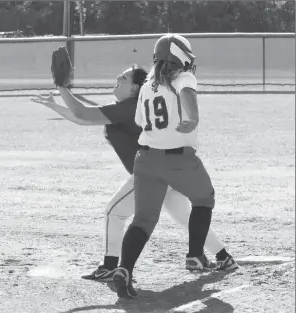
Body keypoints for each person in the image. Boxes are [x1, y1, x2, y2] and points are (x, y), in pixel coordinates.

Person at [31, 64, 237, 284]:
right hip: (164, 169)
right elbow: (83, 119)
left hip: (151, 173)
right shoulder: (128, 106)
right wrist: (56, 106)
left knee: (114, 211)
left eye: (125, 77)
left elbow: (83, 114)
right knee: (186, 218)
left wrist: (63, 88)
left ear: (135, 88)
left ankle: (110, 267)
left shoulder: (130, 106)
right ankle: (224, 257)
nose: (118, 77)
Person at [111, 34, 237, 299]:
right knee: (204, 198)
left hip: (145, 159)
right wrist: (192, 118)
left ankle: (124, 269)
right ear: (181, 57)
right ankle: (194, 256)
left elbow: (139, 119)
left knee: (143, 220)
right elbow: (187, 93)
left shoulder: (146, 84)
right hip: (178, 159)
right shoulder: (182, 77)